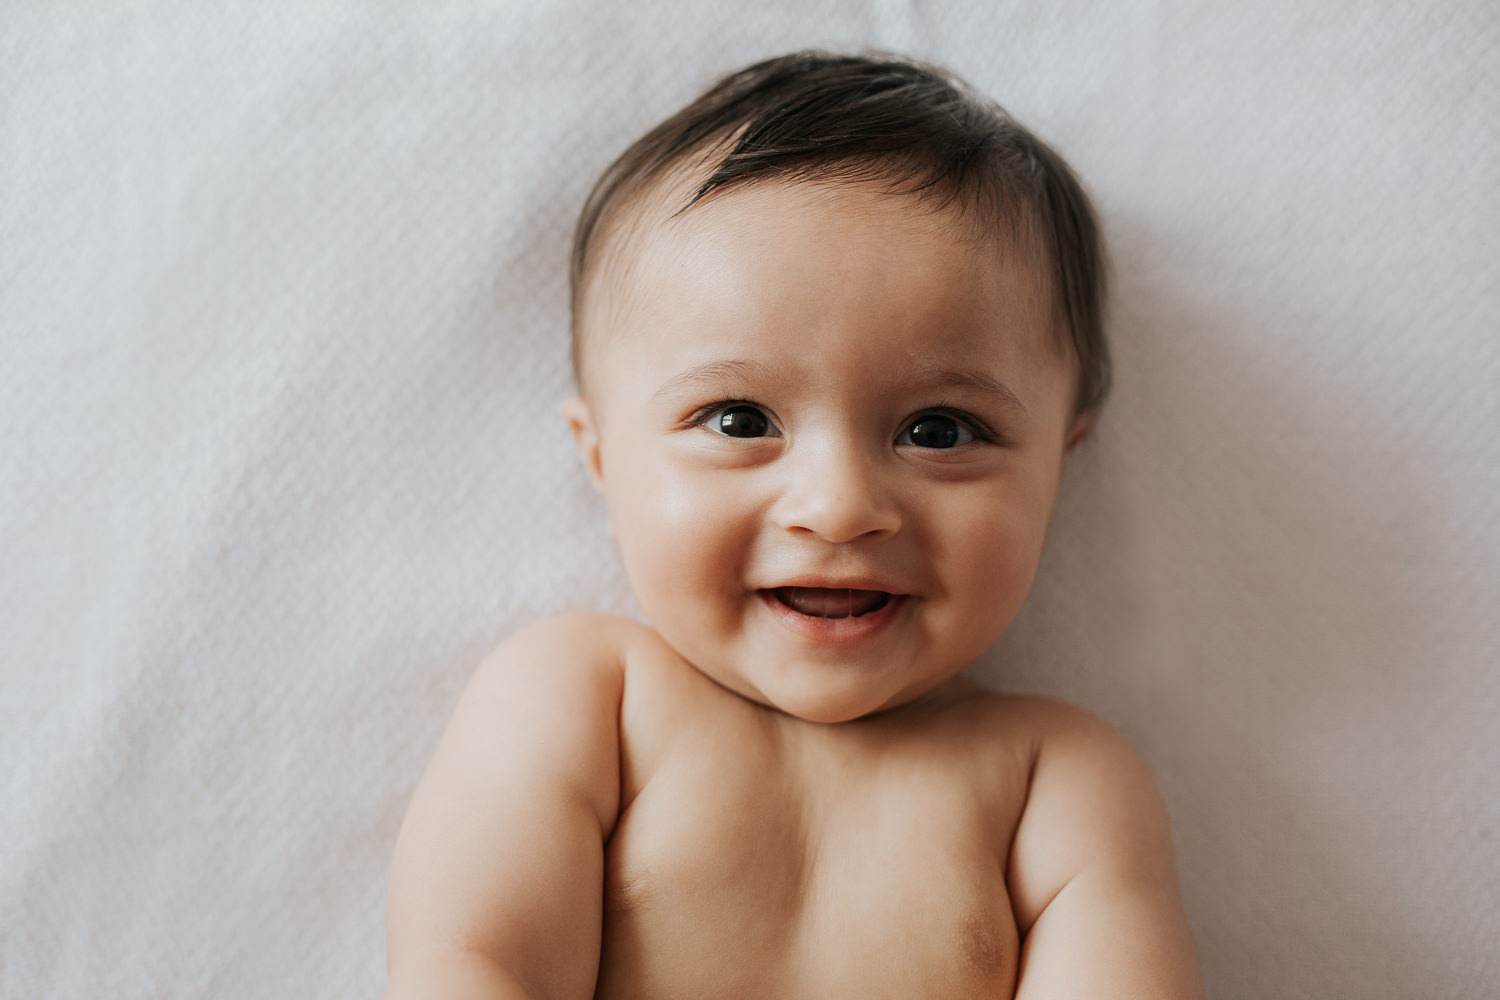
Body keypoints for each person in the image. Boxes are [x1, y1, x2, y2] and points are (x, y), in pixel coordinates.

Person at [382, 50, 1204, 999]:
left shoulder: (1055, 785)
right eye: (738, 421)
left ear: (1058, 465)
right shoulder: (587, 701)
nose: (839, 505)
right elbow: (472, 964)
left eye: (939, 431)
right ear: (603, 461)